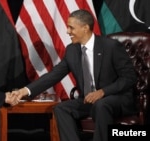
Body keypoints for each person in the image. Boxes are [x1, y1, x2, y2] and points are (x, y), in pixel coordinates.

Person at [14, 9, 137, 141]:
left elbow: (129, 77)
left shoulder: (110, 46)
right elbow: (54, 75)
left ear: (85, 28)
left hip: (115, 98)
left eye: (71, 27)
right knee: (61, 109)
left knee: (101, 105)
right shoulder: (72, 50)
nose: (67, 32)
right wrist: (25, 90)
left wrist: (102, 92)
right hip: (88, 100)